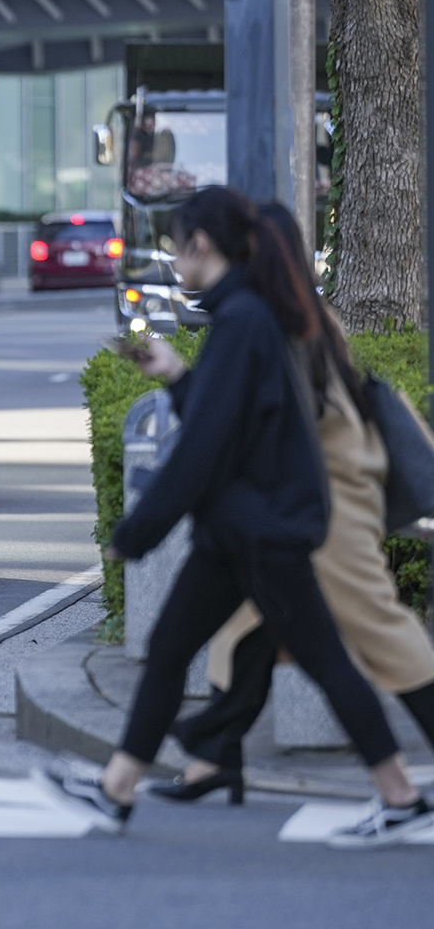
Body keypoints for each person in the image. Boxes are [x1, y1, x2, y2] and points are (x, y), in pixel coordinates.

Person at [33, 186, 433, 849]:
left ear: (202, 246)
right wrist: (175, 375)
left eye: (176, 246)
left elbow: (204, 447)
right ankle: (122, 790)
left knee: (330, 661)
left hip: (262, 532)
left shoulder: (247, 321)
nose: (171, 261)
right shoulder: (250, 319)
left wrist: (135, 533)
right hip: (243, 529)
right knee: (175, 649)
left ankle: (396, 795)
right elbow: (227, 423)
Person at [153, 203, 434, 807]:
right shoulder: (297, 313)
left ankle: (390, 789)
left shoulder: (275, 321)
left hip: (329, 504)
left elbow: (240, 425)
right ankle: (215, 762)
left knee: (377, 630)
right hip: (317, 498)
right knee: (244, 631)